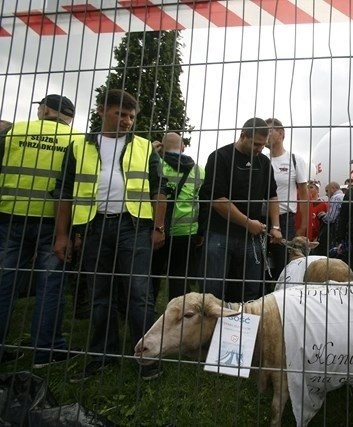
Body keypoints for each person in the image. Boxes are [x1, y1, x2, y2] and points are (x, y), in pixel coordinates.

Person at [53, 89, 167, 382]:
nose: (128, 121)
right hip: (93, 227)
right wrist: (63, 235)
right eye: (121, 114)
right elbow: (64, 193)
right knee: (99, 294)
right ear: (102, 111)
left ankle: (147, 356)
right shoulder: (80, 146)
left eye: (131, 116)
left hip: (134, 227)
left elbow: (159, 191)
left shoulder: (144, 147)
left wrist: (158, 227)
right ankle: (103, 355)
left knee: (139, 293)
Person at [0, 94, 79, 366]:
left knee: (4, 283)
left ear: (44, 110)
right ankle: (47, 351)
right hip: (54, 222)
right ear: (69, 116)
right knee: (51, 286)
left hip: (9, 216)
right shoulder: (76, 140)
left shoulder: (15, 131)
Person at [199, 118, 282, 302]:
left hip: (250, 239)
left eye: (263, 145)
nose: (260, 149)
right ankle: (210, 328)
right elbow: (218, 200)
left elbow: (272, 196)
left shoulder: (264, 163)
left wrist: (276, 226)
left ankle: (244, 328)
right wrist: (248, 223)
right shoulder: (220, 157)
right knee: (213, 290)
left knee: (250, 291)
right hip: (220, 234)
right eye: (256, 144)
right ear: (243, 135)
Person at [151, 132, 204, 301]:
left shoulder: (154, 163)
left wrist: (152, 151)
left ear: (162, 147)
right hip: (186, 232)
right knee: (180, 278)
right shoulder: (198, 170)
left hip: (156, 229)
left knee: (151, 274)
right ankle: (180, 316)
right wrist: (200, 231)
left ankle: (146, 314)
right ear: (182, 147)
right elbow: (203, 203)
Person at [265, 118, 308, 281]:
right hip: (261, 219)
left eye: (269, 131)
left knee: (284, 266)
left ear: (281, 133)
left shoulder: (295, 160)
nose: (265, 135)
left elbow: (304, 194)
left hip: (285, 221)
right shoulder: (261, 160)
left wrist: (302, 227)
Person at [316, 181, 344, 256]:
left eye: (327, 191)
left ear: (333, 188)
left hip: (336, 231)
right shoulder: (344, 196)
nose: (326, 194)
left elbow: (331, 219)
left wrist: (322, 216)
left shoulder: (335, 198)